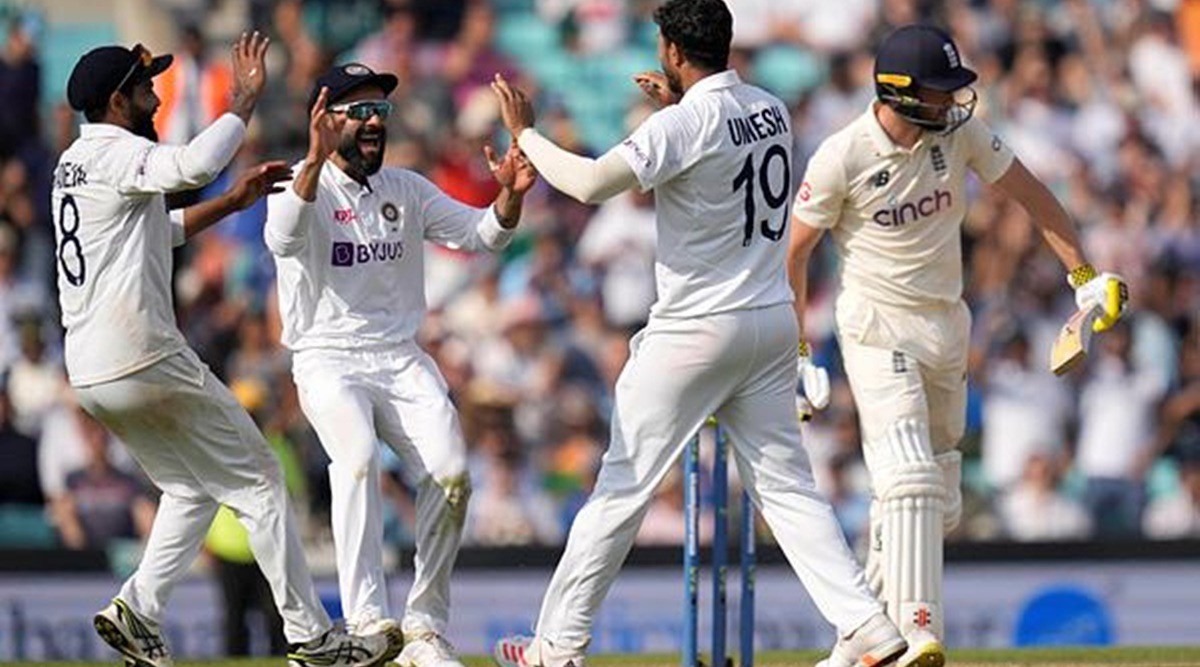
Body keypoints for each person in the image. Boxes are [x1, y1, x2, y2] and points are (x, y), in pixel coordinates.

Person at [489, 1, 907, 666]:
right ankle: (867, 624)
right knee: (787, 487)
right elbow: (712, 145)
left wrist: (528, 134)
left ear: (675, 51)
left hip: (694, 329)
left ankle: (555, 646)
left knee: (621, 488)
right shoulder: (769, 105)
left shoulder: (684, 122)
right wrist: (675, 106)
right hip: (769, 320)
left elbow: (594, 183)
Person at [787, 24, 1129, 667]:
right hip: (875, 324)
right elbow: (796, 253)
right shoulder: (841, 155)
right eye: (939, 92)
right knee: (908, 475)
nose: (951, 102)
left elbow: (1032, 196)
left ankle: (854, 647)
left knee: (931, 498)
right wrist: (799, 350)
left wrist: (1083, 278)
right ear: (898, 93)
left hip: (947, 325)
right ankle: (917, 633)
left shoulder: (960, 134)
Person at [52, 34, 395, 667]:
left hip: (91, 371)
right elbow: (191, 167)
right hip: (143, 353)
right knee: (261, 480)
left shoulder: (73, 164)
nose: (155, 96)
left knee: (189, 486)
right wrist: (242, 102)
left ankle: (139, 609)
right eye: (144, 86)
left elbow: (161, 229)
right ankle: (313, 637)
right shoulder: (115, 151)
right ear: (115, 100)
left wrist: (232, 204)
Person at [264, 61, 537, 667]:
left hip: (399, 356)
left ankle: (424, 628)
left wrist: (509, 197)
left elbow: (482, 237)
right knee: (357, 458)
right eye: (357, 111)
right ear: (323, 120)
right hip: (327, 357)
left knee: (452, 474)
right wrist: (311, 160)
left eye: (379, 112)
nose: (371, 123)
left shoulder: (406, 189)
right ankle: (365, 621)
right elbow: (282, 239)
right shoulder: (298, 186)